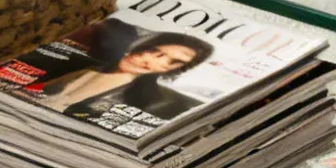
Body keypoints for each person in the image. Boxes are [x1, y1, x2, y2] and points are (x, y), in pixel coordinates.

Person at [33, 30, 214, 121]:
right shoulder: (83, 65)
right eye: (154, 50)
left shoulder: (148, 101)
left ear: (173, 70)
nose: (148, 59)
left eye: (172, 60)